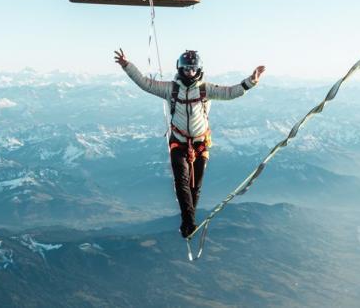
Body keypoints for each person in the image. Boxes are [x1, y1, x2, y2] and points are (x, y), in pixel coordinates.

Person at [114, 48, 265, 238]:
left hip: (200, 143)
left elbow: (229, 92)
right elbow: (145, 84)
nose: (189, 72)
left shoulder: (205, 89)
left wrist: (250, 82)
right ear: (180, 68)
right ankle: (188, 223)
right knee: (181, 182)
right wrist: (127, 66)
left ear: (198, 69)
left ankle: (188, 221)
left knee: (195, 186)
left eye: (193, 69)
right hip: (179, 142)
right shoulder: (171, 88)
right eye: (186, 69)